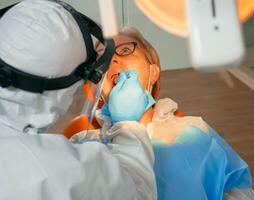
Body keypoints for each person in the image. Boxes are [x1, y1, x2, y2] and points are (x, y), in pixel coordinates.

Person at [73, 27, 254, 200]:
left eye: (125, 50)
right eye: (101, 57)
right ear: (97, 84)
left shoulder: (195, 133)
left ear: (153, 73)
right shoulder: (81, 146)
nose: (111, 59)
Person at [0, 1, 156, 200]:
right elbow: (135, 189)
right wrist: (129, 127)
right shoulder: (53, 169)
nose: (115, 61)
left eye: (125, 51)